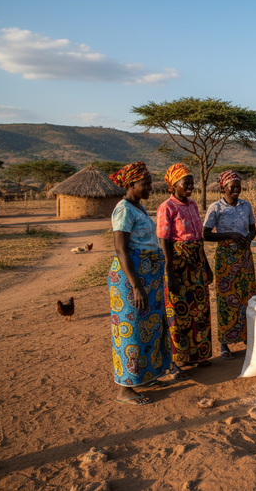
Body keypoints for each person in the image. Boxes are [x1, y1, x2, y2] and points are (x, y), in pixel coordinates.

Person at [108, 162, 171, 405]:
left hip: (148, 278)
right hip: (130, 278)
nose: (150, 188)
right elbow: (121, 250)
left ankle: (144, 376)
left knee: (148, 327)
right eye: (145, 184)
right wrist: (136, 285)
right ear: (131, 185)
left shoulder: (139, 208)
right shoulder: (123, 209)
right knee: (130, 330)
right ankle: (125, 389)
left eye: (150, 183)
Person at [157, 163, 213, 369]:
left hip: (196, 262)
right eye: (185, 184)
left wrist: (206, 265)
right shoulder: (167, 207)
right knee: (179, 311)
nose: (190, 187)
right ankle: (180, 358)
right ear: (173, 185)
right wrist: (169, 272)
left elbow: (198, 238)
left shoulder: (193, 205)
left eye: (191, 183)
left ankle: (199, 354)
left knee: (200, 309)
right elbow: (163, 241)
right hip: (178, 264)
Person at [203, 170, 256, 359]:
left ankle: (247, 336)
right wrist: (229, 235)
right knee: (226, 298)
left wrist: (248, 239)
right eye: (232, 187)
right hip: (225, 258)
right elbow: (206, 234)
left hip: (245, 256)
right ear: (222, 188)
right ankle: (225, 343)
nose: (236, 190)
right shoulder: (215, 208)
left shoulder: (246, 205)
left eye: (238, 186)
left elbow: (253, 229)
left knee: (247, 296)